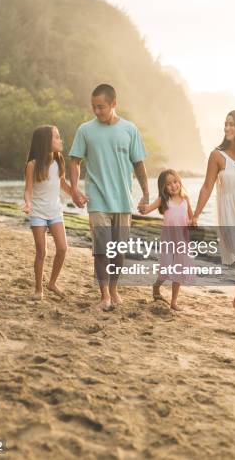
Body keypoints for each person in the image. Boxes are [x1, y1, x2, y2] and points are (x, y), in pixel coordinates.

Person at [69, 84, 149, 311]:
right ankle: (104, 294)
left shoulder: (130, 130)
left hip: (123, 199)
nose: (97, 111)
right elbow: (75, 161)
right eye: (94, 107)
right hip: (97, 199)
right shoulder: (85, 130)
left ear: (114, 104)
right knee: (102, 250)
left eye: (101, 107)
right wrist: (75, 190)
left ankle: (114, 288)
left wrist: (146, 194)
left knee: (119, 251)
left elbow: (139, 164)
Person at [192, 110, 235, 322]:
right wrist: (195, 214)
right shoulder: (217, 155)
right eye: (226, 124)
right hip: (232, 215)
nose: (227, 128)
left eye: (232, 124)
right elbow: (206, 187)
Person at [23, 125, 72, 300]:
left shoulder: (59, 160)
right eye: (56, 137)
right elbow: (28, 190)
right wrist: (27, 203)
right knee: (41, 252)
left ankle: (52, 283)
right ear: (45, 142)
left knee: (62, 248)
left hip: (55, 211)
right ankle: (38, 289)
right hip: (37, 212)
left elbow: (63, 184)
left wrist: (76, 194)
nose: (60, 140)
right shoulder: (33, 165)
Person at [139, 169, 195, 311]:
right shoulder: (163, 200)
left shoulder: (186, 199)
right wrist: (142, 206)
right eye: (168, 184)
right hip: (169, 239)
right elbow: (147, 210)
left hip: (182, 240)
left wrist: (193, 222)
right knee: (166, 267)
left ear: (179, 182)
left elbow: (191, 218)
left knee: (179, 270)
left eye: (175, 182)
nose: (173, 186)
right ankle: (157, 285)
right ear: (163, 187)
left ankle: (174, 301)